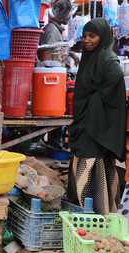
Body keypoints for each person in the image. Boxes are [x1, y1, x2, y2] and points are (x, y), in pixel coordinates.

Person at [68, 18, 126, 214]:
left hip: (98, 126)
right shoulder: (88, 58)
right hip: (86, 122)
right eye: (84, 36)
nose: (87, 40)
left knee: (92, 164)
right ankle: (83, 211)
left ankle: (96, 213)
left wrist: (96, 99)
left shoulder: (107, 59)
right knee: (83, 162)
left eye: (92, 36)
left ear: (103, 37)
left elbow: (115, 76)